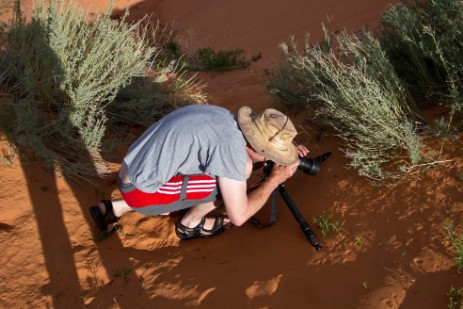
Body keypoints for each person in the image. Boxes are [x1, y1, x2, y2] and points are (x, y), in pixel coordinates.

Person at [89, 104, 309, 240]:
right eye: (271, 154)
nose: (273, 159)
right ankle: (190, 225)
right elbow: (239, 216)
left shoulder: (226, 118)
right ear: (258, 146)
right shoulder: (230, 150)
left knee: (233, 172)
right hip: (139, 189)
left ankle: (114, 209)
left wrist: (284, 153)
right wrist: (274, 179)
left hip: (133, 167)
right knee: (235, 180)